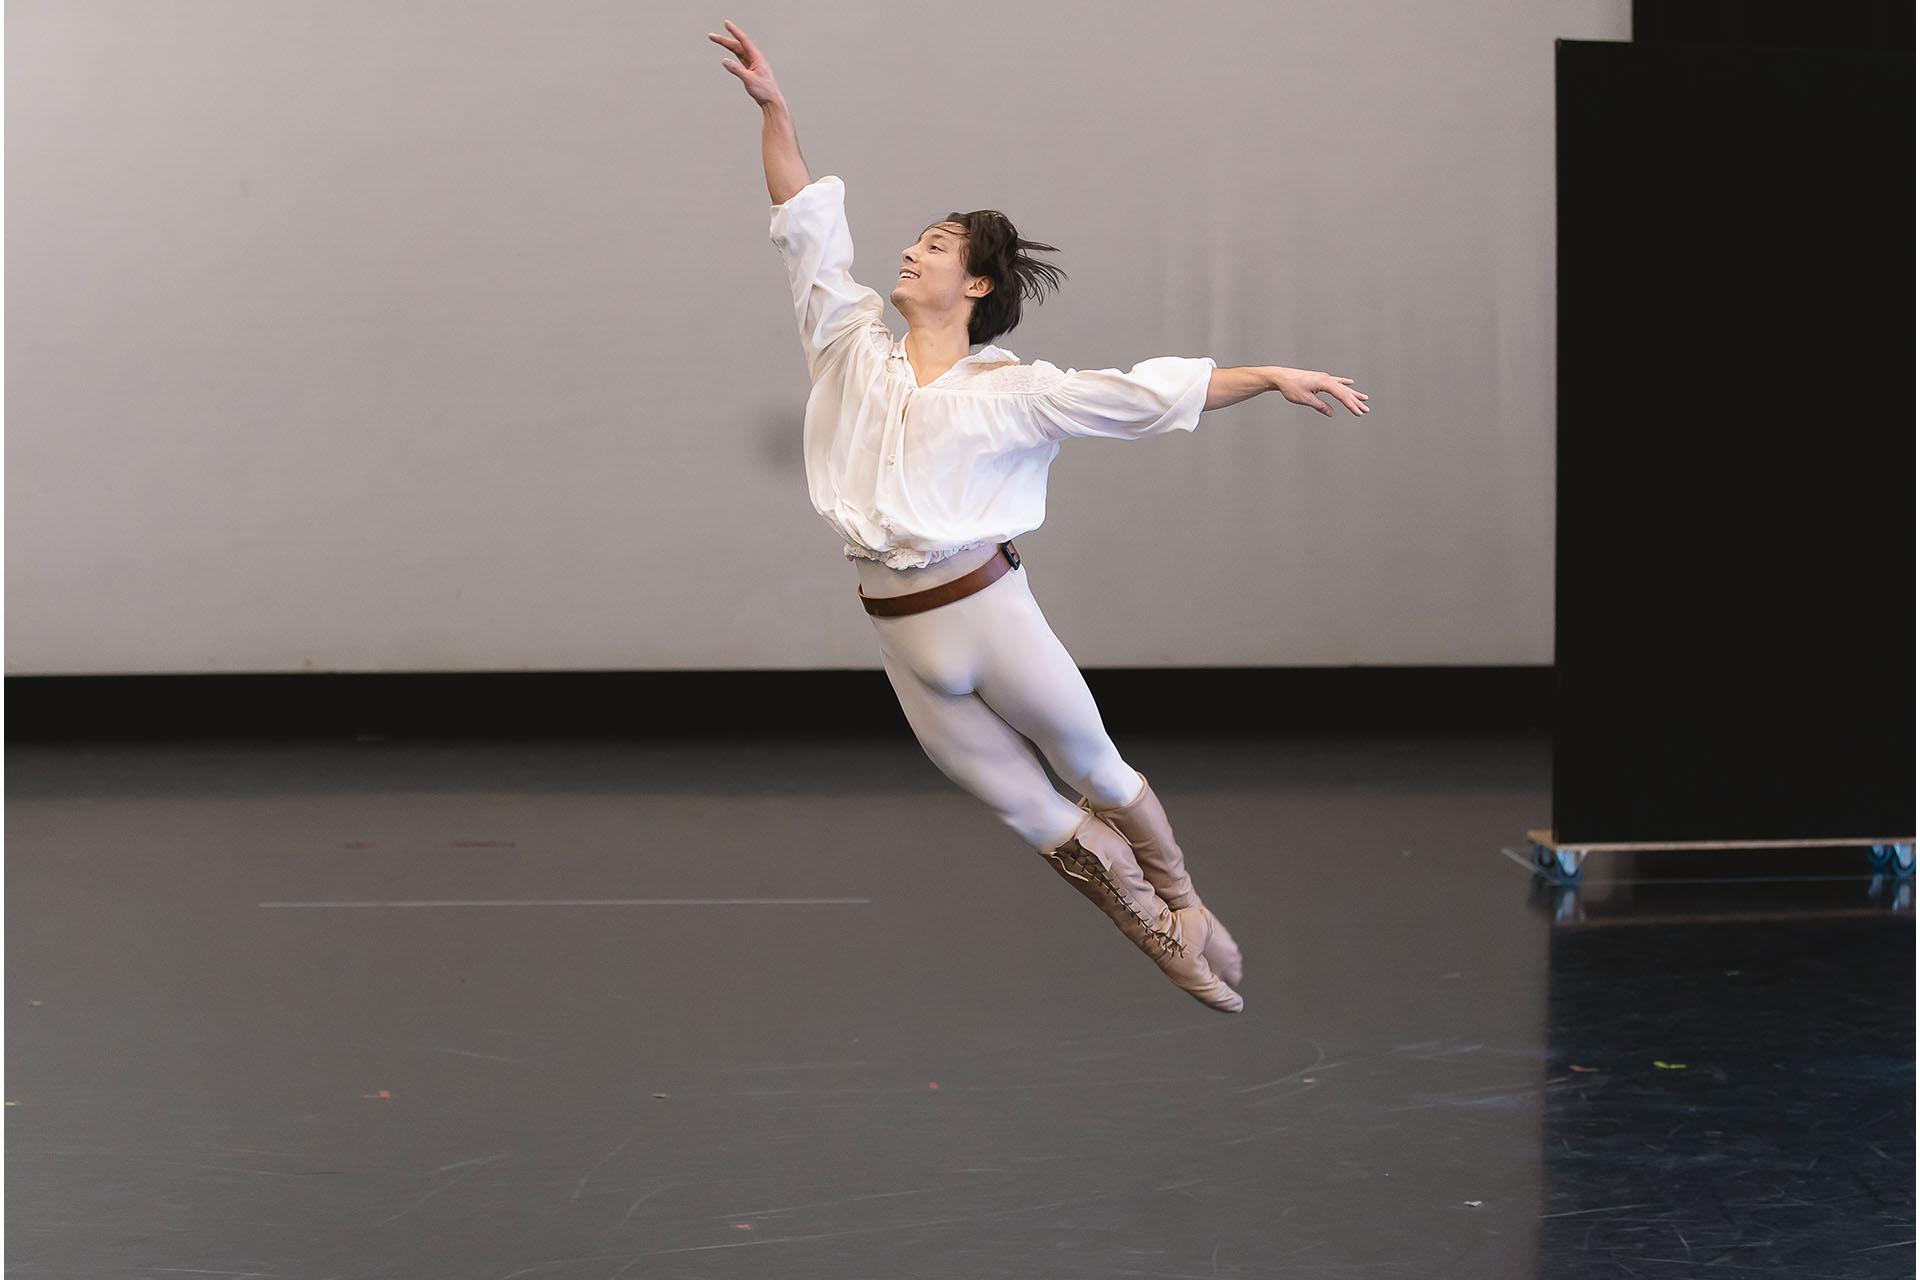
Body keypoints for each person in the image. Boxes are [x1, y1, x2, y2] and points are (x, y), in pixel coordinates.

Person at [712, 20, 1369, 1014]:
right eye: (914, 239)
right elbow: (805, 220)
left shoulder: (1018, 390)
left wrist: (1271, 375)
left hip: (989, 612)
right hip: (901, 632)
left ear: (975, 282)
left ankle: (1185, 902)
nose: (909, 250)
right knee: (1036, 817)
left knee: (1095, 768)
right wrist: (776, 109)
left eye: (933, 245)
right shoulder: (849, 347)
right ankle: (1161, 939)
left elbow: (1148, 396)